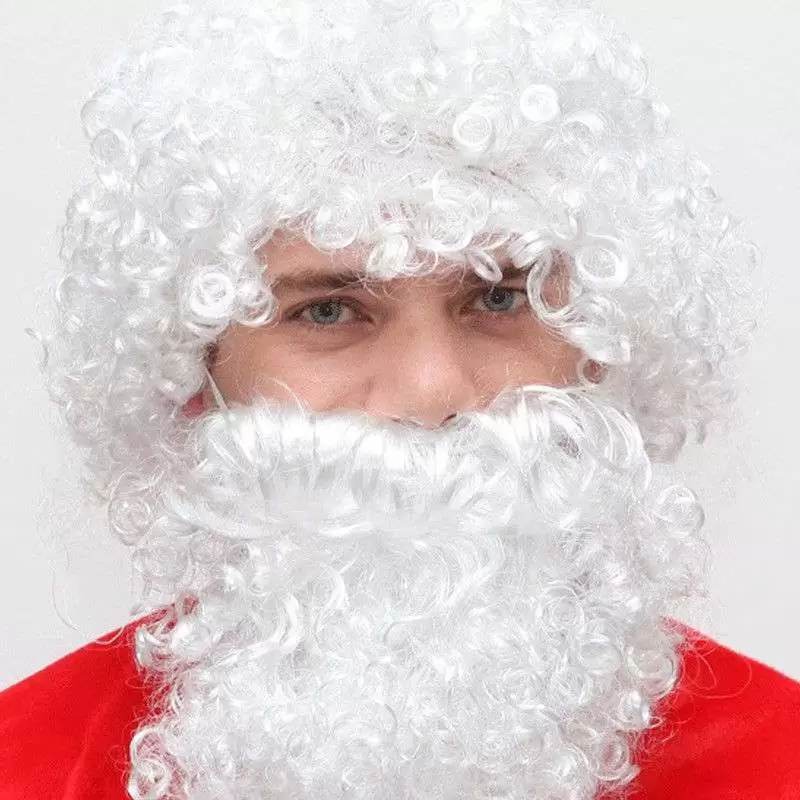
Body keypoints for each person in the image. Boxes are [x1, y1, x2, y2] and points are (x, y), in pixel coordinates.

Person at [1, 0, 798, 798]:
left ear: (598, 345)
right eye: (328, 312)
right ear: (194, 375)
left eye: (498, 299)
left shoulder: (776, 759)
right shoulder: (30, 766)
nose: (431, 393)